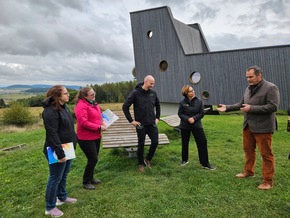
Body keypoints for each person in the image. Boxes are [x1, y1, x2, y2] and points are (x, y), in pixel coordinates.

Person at [217, 65, 280, 190]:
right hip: (248, 126)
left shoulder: (271, 88)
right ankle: (248, 171)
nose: (248, 79)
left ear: (259, 75)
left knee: (266, 154)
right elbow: (242, 104)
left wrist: (251, 108)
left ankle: (268, 181)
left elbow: (273, 107)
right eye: (247, 77)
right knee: (248, 151)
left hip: (263, 127)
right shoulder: (248, 88)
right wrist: (227, 107)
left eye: (251, 77)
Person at [42, 85, 77, 217]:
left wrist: (74, 142)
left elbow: (67, 128)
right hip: (57, 149)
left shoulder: (63, 107)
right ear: (57, 96)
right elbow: (52, 134)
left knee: (64, 174)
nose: (68, 95)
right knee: (55, 178)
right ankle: (50, 207)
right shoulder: (50, 111)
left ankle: (61, 197)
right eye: (66, 93)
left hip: (68, 148)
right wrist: (60, 153)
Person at [122, 75, 160, 172]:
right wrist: (131, 121)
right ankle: (140, 163)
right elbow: (125, 106)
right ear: (145, 81)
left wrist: (157, 117)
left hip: (152, 123)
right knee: (141, 144)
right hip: (141, 124)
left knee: (155, 142)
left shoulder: (153, 93)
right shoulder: (135, 93)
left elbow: (158, 105)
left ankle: (148, 159)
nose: (152, 85)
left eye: (153, 83)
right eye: (151, 83)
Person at [74, 87, 107, 190]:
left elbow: (98, 116)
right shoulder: (81, 106)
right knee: (93, 159)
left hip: (96, 135)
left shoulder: (94, 103)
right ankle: (85, 181)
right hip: (85, 137)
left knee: (94, 158)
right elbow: (83, 122)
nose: (94, 96)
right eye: (92, 95)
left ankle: (91, 178)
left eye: (94, 94)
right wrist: (98, 127)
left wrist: (103, 122)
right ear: (85, 96)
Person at [178, 85, 215, 170]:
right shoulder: (182, 102)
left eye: (193, 90)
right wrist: (187, 119)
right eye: (190, 91)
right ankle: (184, 160)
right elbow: (180, 114)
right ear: (186, 93)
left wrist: (194, 119)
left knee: (202, 142)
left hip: (197, 125)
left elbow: (202, 113)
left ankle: (205, 163)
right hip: (185, 126)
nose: (193, 92)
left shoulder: (199, 102)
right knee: (185, 143)